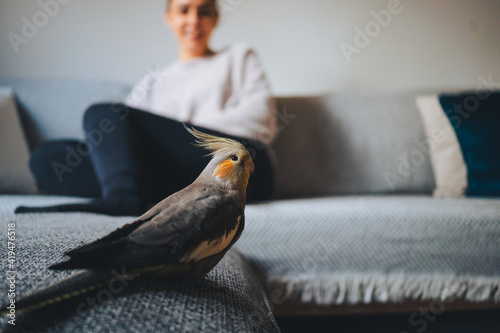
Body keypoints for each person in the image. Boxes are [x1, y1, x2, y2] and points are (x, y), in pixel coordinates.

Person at [15, 0, 277, 216]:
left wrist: (177, 131)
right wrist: (161, 139)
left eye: (204, 11)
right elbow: (117, 143)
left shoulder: (238, 57)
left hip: (241, 167)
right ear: (169, 18)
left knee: (102, 112)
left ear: (216, 18)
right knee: (46, 157)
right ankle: (129, 191)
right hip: (178, 176)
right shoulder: (153, 81)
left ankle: (122, 198)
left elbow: (260, 120)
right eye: (184, 10)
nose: (194, 20)